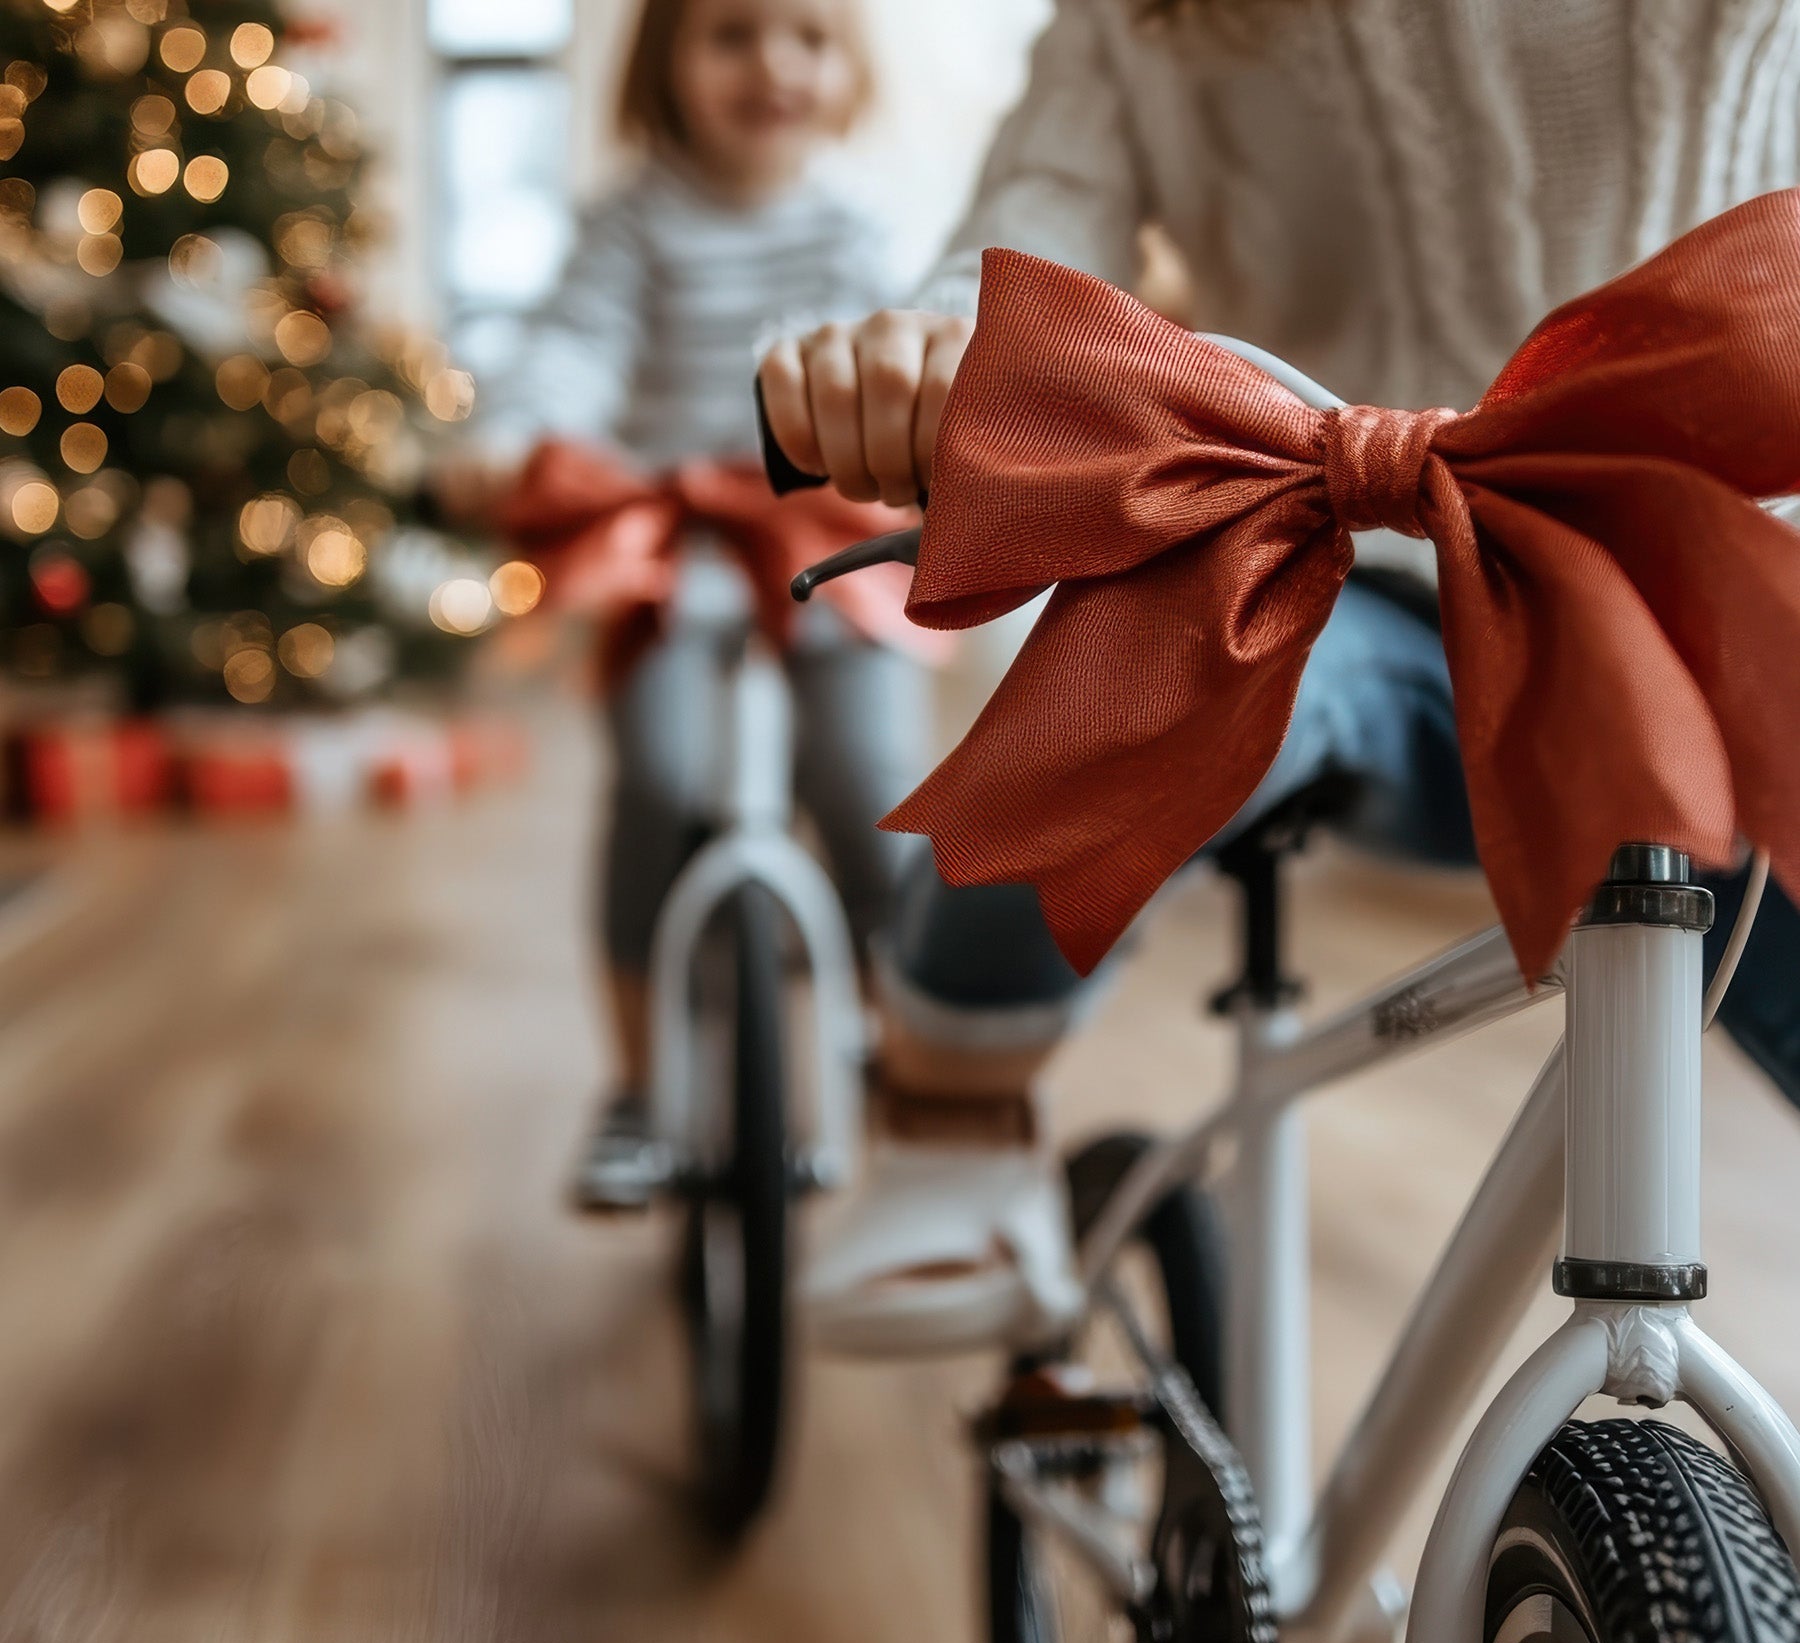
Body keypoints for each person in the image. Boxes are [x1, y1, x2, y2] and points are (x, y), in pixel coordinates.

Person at [758, 0, 1800, 1355]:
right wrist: (928, 344)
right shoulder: (1139, 24)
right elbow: (1033, 217)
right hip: (1345, 567)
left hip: (1713, 581)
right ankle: (954, 1117)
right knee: (1119, 695)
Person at [443, 0, 931, 1208]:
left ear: (848, 67)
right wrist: (514, 435)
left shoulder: (853, 232)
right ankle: (640, 1084)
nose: (775, 64)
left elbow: (908, 363)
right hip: (673, 552)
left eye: (810, 37)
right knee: (656, 784)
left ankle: (900, 1050)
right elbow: (570, 349)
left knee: (880, 793)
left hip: (827, 546)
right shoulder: (630, 224)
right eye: (732, 34)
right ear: (664, 58)